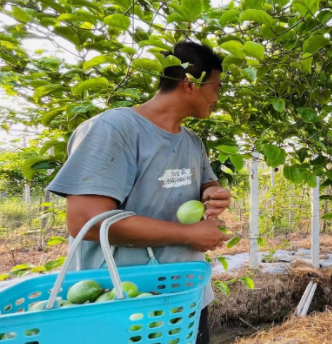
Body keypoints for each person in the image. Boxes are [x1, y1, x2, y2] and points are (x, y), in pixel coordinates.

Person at [47, 40, 231, 344]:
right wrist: (190, 235)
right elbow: (86, 222)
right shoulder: (113, 130)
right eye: (216, 87)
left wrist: (214, 193)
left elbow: (204, 185)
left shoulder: (192, 142)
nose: (217, 98)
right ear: (190, 84)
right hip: (124, 300)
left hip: (185, 299)